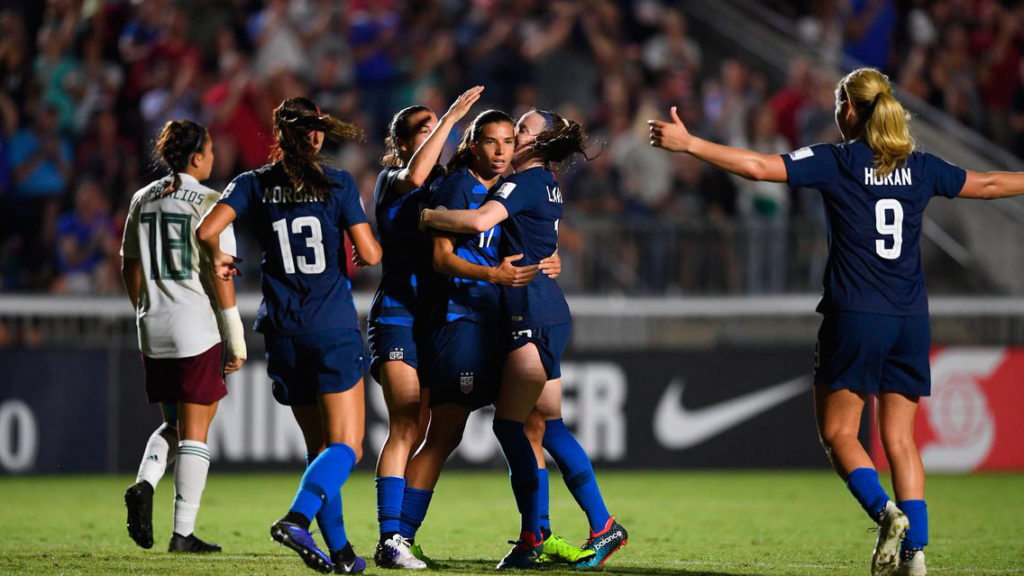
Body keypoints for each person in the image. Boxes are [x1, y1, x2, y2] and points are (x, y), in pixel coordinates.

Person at [649, 67, 1024, 576]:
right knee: (901, 440)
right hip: (910, 318)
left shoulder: (837, 161)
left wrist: (690, 143)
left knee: (840, 433)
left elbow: (759, 168)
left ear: (850, 108)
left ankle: (885, 515)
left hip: (856, 314)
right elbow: (991, 183)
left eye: (835, 103)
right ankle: (917, 558)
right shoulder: (921, 167)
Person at [420, 109, 626, 570]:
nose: (514, 133)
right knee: (547, 425)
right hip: (548, 308)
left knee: (509, 425)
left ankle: (536, 534)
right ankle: (601, 526)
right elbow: (539, 241)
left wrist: (429, 214)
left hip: (530, 312)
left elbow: (476, 224)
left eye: (524, 129)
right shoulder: (546, 182)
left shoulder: (525, 182)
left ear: (539, 142)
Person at [197, 97, 380, 574]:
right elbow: (370, 253)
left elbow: (206, 230)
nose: (318, 136)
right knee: (347, 447)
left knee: (318, 447)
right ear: (314, 135)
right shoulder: (337, 181)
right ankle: (298, 518)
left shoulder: (252, 184)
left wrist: (218, 256)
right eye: (315, 130)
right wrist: (367, 246)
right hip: (332, 327)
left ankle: (340, 552)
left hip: (281, 330)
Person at [367, 86, 483, 569]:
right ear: (399, 143)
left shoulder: (447, 184)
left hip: (438, 321)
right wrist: (454, 115)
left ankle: (405, 535)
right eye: (425, 127)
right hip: (397, 316)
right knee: (407, 424)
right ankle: (389, 538)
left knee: (445, 431)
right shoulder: (393, 178)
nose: (438, 131)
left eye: (439, 125)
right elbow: (415, 172)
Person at [121, 119, 246, 554]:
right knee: (195, 431)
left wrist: (146, 306)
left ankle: (144, 483)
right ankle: (182, 533)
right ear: (197, 158)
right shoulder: (214, 202)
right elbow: (221, 272)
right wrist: (235, 335)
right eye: (210, 151)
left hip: (152, 324)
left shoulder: (141, 198)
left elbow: (129, 266)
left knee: (172, 424)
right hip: (194, 324)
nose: (214, 157)